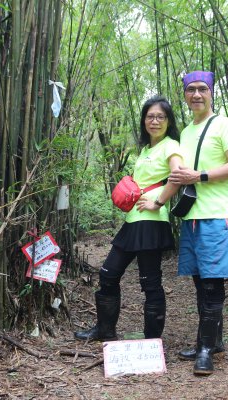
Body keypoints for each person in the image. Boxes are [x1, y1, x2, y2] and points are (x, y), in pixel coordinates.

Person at [75, 95, 182, 342]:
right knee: (108, 273)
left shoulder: (171, 145)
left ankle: (151, 341)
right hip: (134, 220)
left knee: (150, 282)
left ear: (168, 121)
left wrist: (158, 202)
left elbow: (177, 175)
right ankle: (105, 330)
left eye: (160, 117)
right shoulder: (145, 149)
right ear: (144, 119)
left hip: (151, 222)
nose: (154, 121)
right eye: (150, 116)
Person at [168, 71, 228, 376]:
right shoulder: (185, 132)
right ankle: (215, 341)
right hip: (193, 216)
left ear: (211, 92)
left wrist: (198, 176)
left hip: (218, 214)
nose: (197, 94)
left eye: (202, 89)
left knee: (213, 283)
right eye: (191, 90)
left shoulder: (225, 124)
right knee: (201, 281)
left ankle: (205, 350)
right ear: (185, 94)